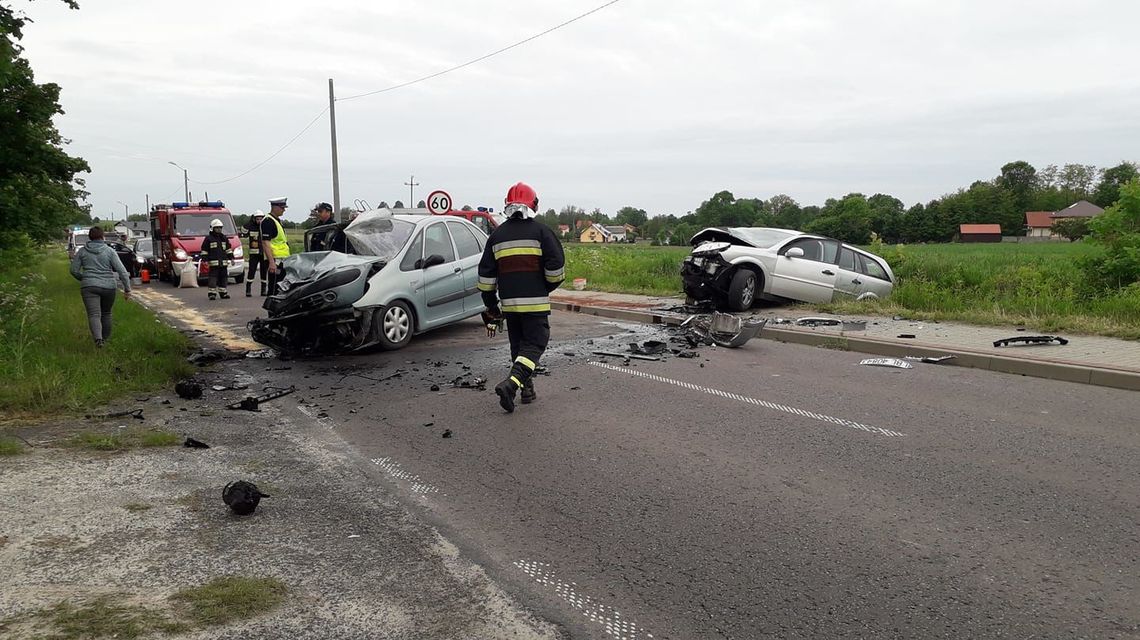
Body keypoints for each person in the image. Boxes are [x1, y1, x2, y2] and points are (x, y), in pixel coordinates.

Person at [477, 182, 565, 413]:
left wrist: (491, 306)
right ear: (533, 204)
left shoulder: (496, 237)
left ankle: (527, 390)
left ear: (507, 206)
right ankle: (511, 384)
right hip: (535, 304)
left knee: (519, 348)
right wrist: (543, 287)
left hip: (509, 305)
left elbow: (486, 277)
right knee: (535, 344)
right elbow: (557, 270)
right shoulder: (542, 233)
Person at [69, 226, 132, 348]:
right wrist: (127, 289)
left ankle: (98, 340)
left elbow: (73, 270)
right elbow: (122, 271)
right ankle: (105, 339)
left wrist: (85, 278)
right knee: (106, 313)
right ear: (103, 236)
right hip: (109, 286)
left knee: (94, 314)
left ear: (89, 237)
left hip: (89, 286)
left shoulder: (82, 251)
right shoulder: (109, 251)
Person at [261, 197, 290, 295]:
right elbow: (266, 243)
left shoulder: (276, 220)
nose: (284, 210)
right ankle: (271, 309)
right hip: (275, 261)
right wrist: (271, 262)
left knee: (280, 287)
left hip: (281, 260)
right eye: (282, 208)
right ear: (275, 207)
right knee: (274, 288)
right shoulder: (268, 221)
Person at [204, 218, 234, 300]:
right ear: (212, 228)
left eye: (220, 228)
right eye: (217, 228)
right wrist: (205, 260)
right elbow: (204, 251)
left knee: (223, 278)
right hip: (214, 264)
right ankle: (212, 293)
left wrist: (231, 258)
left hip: (223, 263)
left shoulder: (224, 238)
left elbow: (228, 249)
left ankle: (223, 293)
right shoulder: (208, 239)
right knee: (213, 278)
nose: (219, 229)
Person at [244, 210, 267, 297]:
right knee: (251, 271)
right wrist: (250, 222)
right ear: (254, 219)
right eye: (257, 219)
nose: (259, 221)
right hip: (254, 254)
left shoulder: (265, 227)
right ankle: (248, 289)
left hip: (264, 253)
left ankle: (263, 290)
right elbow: (243, 231)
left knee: (264, 271)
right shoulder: (251, 226)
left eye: (261, 219)